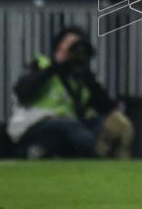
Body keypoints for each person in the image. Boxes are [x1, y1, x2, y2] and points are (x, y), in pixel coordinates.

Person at [7, 27, 134, 159]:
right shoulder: (41, 65)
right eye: (71, 47)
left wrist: (86, 75)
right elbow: (23, 93)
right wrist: (56, 64)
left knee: (109, 125)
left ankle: (105, 156)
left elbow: (106, 107)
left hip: (73, 126)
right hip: (36, 125)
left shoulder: (82, 77)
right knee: (70, 128)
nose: (76, 52)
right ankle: (95, 154)